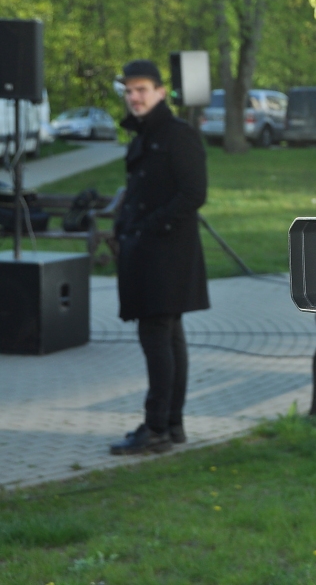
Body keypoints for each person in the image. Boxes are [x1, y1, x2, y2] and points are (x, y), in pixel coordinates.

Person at [110, 59, 210, 455]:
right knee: (167, 337)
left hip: (165, 255)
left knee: (159, 337)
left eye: (142, 90)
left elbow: (193, 193)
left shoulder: (176, 134)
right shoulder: (145, 135)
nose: (134, 97)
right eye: (129, 91)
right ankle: (170, 426)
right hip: (150, 253)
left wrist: (148, 225)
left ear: (161, 92)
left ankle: (157, 428)